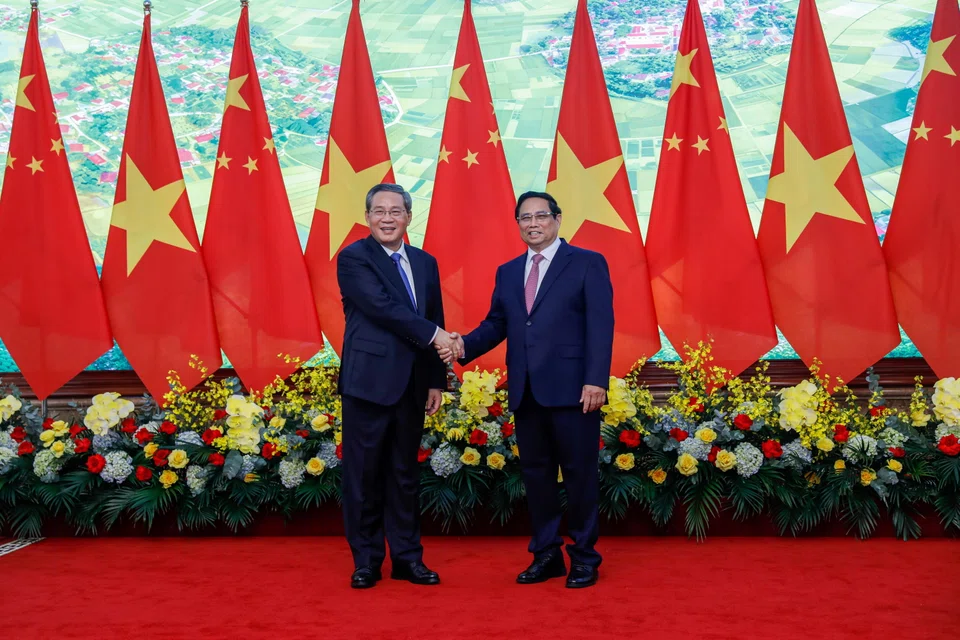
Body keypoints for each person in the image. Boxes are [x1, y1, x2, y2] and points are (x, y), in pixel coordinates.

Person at [437, 191, 614, 588]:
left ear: (557, 218)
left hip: (574, 391)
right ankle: (547, 555)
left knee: (579, 477)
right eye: (525, 219)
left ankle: (585, 557)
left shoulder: (587, 263)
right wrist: (463, 344)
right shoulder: (509, 271)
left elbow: (601, 326)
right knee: (536, 477)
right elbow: (497, 323)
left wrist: (596, 380)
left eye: (540, 216)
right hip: (527, 391)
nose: (533, 224)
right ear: (517, 225)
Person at [336, 183, 460, 589]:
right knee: (365, 476)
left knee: (404, 475)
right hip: (368, 385)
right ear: (367, 217)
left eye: (395, 211)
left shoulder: (425, 262)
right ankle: (367, 562)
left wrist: (434, 381)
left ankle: (408, 559)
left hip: (411, 387)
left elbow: (433, 313)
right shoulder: (354, 258)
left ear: (409, 217)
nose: (386, 218)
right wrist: (440, 336)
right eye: (378, 211)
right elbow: (383, 309)